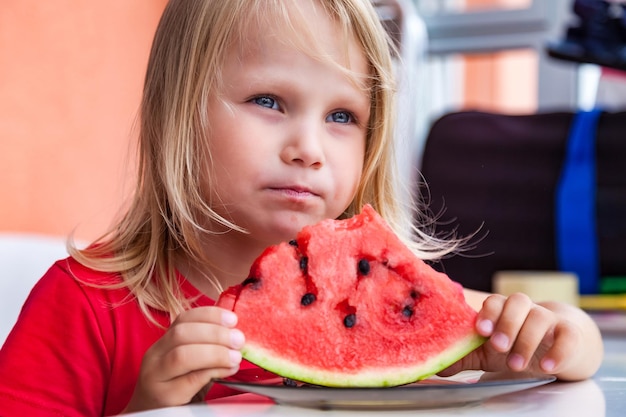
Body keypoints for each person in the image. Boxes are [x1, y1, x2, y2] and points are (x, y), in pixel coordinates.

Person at [0, 0, 604, 416]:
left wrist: (563, 336)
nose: (308, 149)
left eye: (342, 116)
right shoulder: (84, 301)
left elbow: (527, 335)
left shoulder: (380, 295)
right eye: (269, 100)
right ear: (176, 117)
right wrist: (147, 410)